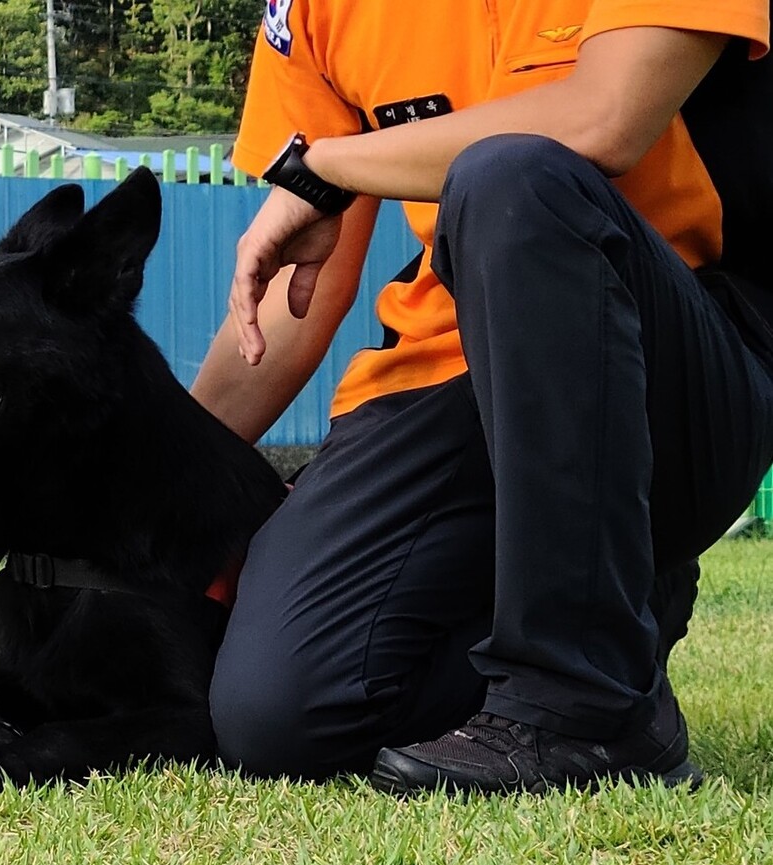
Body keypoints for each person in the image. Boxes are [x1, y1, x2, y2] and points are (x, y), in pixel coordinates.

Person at [190, 0, 773, 794]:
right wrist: (154, 483)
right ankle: (615, 614)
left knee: (514, 174)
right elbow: (294, 302)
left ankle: (587, 703)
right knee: (280, 715)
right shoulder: (317, 12)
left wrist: (326, 165)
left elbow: (605, 120)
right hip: (445, 371)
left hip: (676, 367)